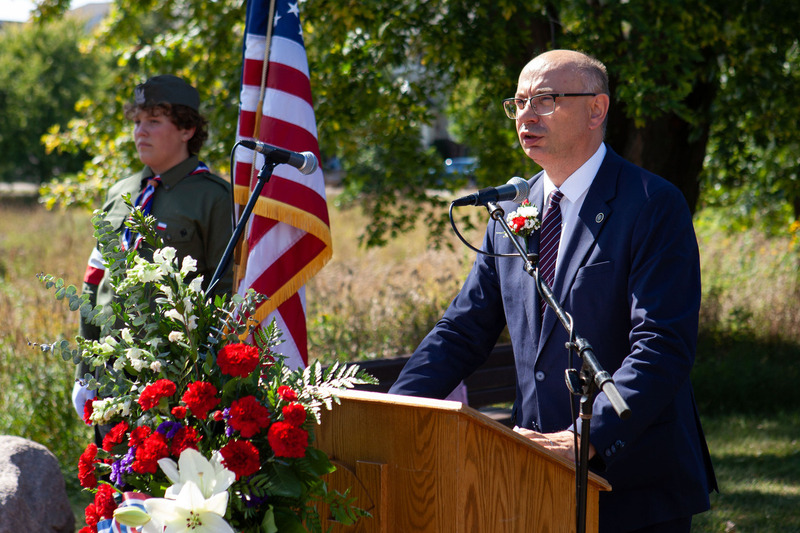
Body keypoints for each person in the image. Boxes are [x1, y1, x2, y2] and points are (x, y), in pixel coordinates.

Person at [389, 50, 717, 532]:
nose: (526, 114)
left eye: (544, 99)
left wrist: (586, 437)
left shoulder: (651, 203)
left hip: (635, 482)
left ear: (596, 110)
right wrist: (397, 408)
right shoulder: (513, 211)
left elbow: (662, 346)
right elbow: (463, 329)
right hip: (534, 471)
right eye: (519, 102)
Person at [72, 74, 233, 418]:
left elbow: (226, 290)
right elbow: (94, 279)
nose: (140, 132)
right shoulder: (120, 193)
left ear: (187, 130)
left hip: (173, 378)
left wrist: (207, 374)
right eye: (138, 122)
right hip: (110, 373)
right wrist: (85, 370)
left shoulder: (214, 198)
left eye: (154, 122)